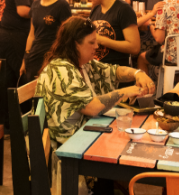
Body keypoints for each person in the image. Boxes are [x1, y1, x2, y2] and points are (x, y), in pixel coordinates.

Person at [36, 17, 153, 194]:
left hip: (82, 138)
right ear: (74, 44)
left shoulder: (82, 65)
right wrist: (125, 92)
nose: (97, 46)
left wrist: (138, 73)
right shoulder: (61, 70)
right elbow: (92, 107)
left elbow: (113, 71)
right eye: (91, 42)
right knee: (123, 149)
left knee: (123, 143)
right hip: (66, 152)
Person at [0, 0, 33, 127]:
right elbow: (23, 10)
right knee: (22, 76)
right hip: (15, 35)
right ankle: (29, 122)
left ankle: (4, 123)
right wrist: (39, 11)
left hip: (2, 33)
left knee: (6, 79)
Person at [20, 0, 71, 82]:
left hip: (53, 58)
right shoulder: (35, 5)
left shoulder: (62, 6)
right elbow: (31, 35)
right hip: (34, 57)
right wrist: (25, 59)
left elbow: (67, 38)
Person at [86, 0, 140, 67]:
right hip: (95, 70)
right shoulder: (96, 8)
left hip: (117, 72)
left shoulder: (123, 9)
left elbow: (134, 47)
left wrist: (102, 40)